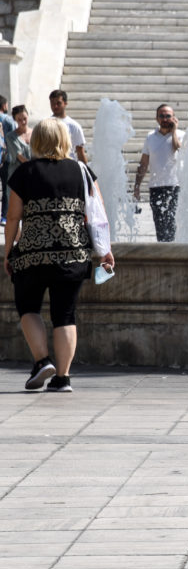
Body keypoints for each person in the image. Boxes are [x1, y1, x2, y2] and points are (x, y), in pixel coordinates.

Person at [4, 119, 115, 393]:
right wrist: (105, 250)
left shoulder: (25, 172)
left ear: (36, 140)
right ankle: (63, 378)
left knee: (28, 307)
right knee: (65, 314)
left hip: (33, 254)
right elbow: (98, 213)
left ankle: (42, 361)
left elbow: (13, 218)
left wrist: (8, 252)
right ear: (65, 140)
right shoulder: (81, 170)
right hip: (73, 253)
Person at [134, 104, 184, 243]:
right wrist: (137, 187)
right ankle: (164, 254)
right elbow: (144, 163)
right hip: (156, 187)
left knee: (172, 224)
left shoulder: (181, 135)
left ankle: (175, 253)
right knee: (160, 225)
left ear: (174, 118)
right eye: (161, 116)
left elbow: (179, 150)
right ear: (157, 118)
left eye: (168, 116)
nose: (165, 119)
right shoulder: (151, 137)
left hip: (175, 187)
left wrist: (174, 132)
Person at [4, 105, 31, 222]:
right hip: (17, 175)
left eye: (24, 118)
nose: (23, 122)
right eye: (19, 120)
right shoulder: (11, 136)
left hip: (33, 175)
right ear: (15, 120)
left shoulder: (36, 133)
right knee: (15, 212)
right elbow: (20, 156)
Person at [49, 90, 88, 164]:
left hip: (68, 166)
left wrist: (85, 172)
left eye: (58, 103)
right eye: (52, 103)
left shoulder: (74, 126)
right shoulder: (44, 125)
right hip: (50, 166)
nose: (55, 106)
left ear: (65, 103)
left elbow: (80, 152)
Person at [0, 96, 15, 222]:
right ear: (4, 106)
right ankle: (4, 216)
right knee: (5, 188)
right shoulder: (9, 120)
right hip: (5, 158)